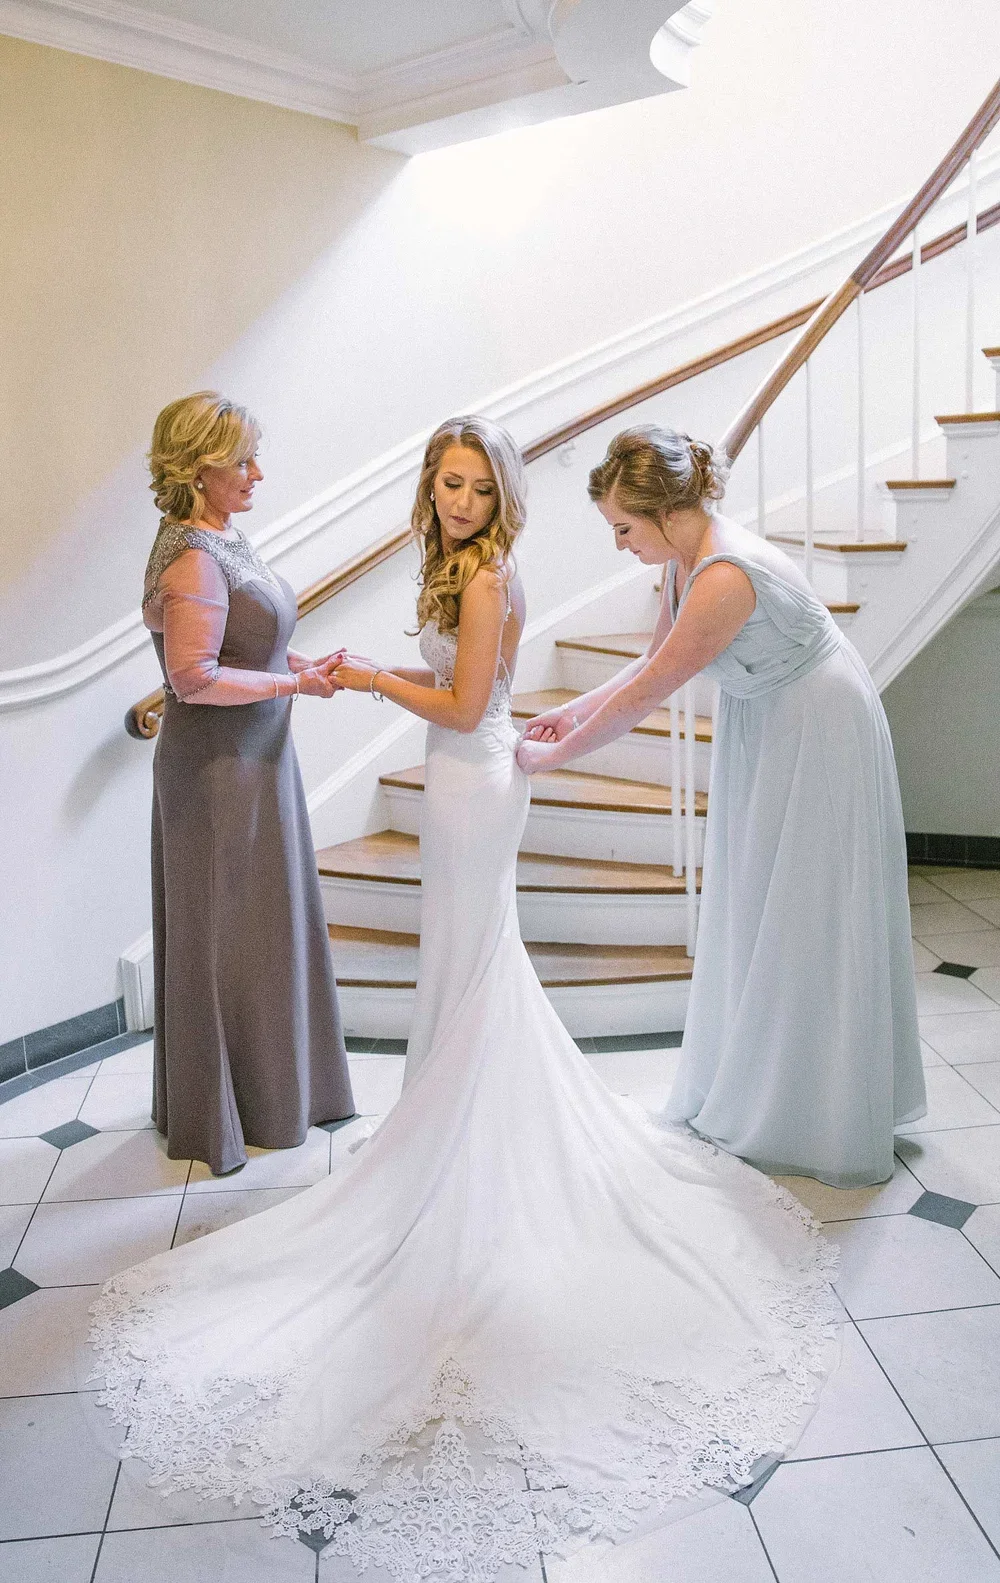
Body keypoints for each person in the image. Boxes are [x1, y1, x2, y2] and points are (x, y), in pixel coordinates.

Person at [92, 415, 839, 1580]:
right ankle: (442, 1128)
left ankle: (468, 1152)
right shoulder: (452, 564)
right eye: (445, 483)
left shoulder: (487, 577)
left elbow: (460, 705)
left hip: (474, 784)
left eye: (476, 486)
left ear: (501, 497)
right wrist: (366, 670)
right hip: (457, 784)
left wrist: (365, 672)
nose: (457, 502)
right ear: (429, 486)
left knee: (478, 966)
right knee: (461, 970)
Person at [519, 423, 925, 1188]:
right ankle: (774, 1083)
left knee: (810, 911)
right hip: (768, 718)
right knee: (761, 902)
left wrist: (553, 758)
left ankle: (821, 1106)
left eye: (622, 528)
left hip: (818, 722)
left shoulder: (723, 575)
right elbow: (645, 662)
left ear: (666, 511)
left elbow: (651, 691)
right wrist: (567, 713)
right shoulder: (683, 562)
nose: (619, 544)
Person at [141, 390, 354, 1176]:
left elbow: (246, 643)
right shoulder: (194, 555)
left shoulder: (218, 535)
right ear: (200, 471)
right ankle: (234, 1108)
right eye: (242, 462)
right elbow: (193, 678)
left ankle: (278, 1092)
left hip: (256, 756)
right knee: (230, 934)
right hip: (220, 771)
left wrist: (296, 666)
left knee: (262, 927)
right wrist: (292, 689)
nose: (257, 473)